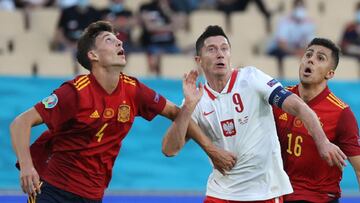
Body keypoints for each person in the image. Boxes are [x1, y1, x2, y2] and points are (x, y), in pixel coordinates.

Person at [10, 21, 236, 203]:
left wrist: (211, 148)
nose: (120, 43)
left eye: (119, 40)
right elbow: (20, 122)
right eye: (110, 40)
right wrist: (27, 167)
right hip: (53, 187)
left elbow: (175, 113)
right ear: (93, 56)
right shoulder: (74, 93)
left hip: (93, 194)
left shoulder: (133, 89)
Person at [162, 25, 347, 202]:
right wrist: (187, 107)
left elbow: (298, 106)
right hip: (220, 192)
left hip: (264, 192)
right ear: (198, 60)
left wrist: (322, 142)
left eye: (224, 48)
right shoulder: (197, 99)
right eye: (211, 49)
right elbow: (169, 150)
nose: (220, 54)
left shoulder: (251, 79)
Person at [273, 38, 360, 202]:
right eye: (308, 55)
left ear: (330, 73)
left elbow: (359, 168)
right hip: (279, 195)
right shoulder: (279, 98)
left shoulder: (341, 113)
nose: (311, 60)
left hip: (319, 198)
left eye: (320, 58)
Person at [267, 0, 315, 78]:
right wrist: (295, 52)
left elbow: (309, 43)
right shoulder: (285, 21)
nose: (300, 9)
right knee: (280, 53)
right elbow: (281, 43)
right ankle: (281, 77)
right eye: (298, 6)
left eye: (301, 7)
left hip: (295, 49)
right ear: (293, 8)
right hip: (278, 49)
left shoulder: (309, 23)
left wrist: (302, 51)